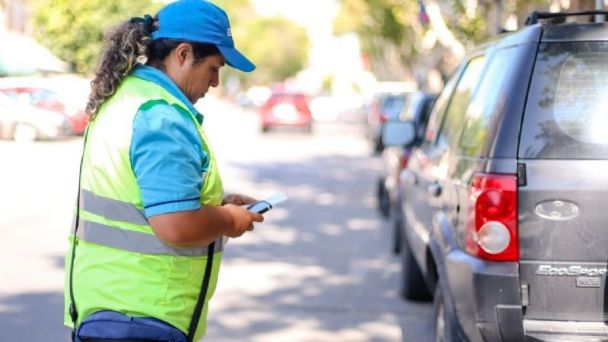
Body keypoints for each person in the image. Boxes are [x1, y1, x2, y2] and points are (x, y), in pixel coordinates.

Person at [64, 1, 264, 341]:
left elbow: (138, 195)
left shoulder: (126, 97)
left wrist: (215, 202)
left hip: (105, 307)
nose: (215, 82)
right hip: (146, 316)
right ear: (183, 54)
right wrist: (229, 220)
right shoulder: (163, 116)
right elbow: (176, 225)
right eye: (214, 68)